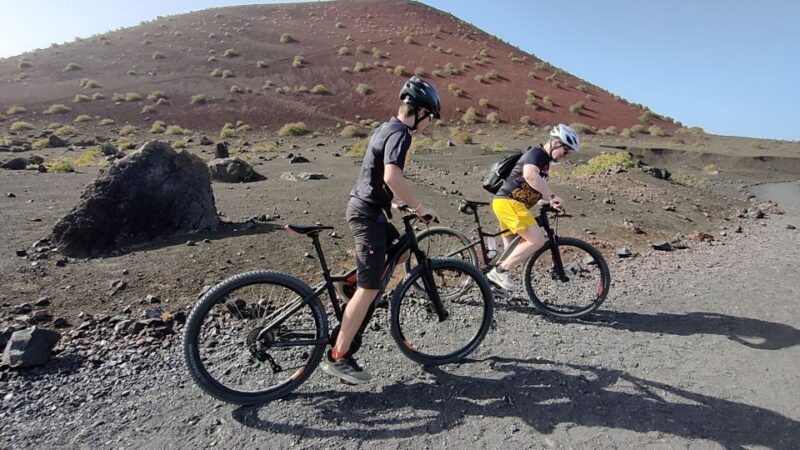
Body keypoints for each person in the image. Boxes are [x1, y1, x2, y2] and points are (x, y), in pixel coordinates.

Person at [320, 76, 441, 384]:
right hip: (366, 214)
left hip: (369, 208)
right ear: (420, 112)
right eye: (431, 117)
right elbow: (391, 175)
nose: (430, 124)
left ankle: (351, 284)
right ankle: (338, 356)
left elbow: (375, 175)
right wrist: (418, 207)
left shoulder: (385, 127)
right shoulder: (402, 134)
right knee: (370, 288)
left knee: (398, 250)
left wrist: (394, 202)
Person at [486, 124, 580, 292]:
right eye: (566, 151)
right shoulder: (537, 154)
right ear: (555, 143)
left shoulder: (544, 163)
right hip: (509, 202)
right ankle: (499, 273)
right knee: (537, 240)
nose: (566, 155)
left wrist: (548, 202)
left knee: (513, 250)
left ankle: (492, 286)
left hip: (511, 204)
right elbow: (530, 176)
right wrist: (552, 196)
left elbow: (532, 189)